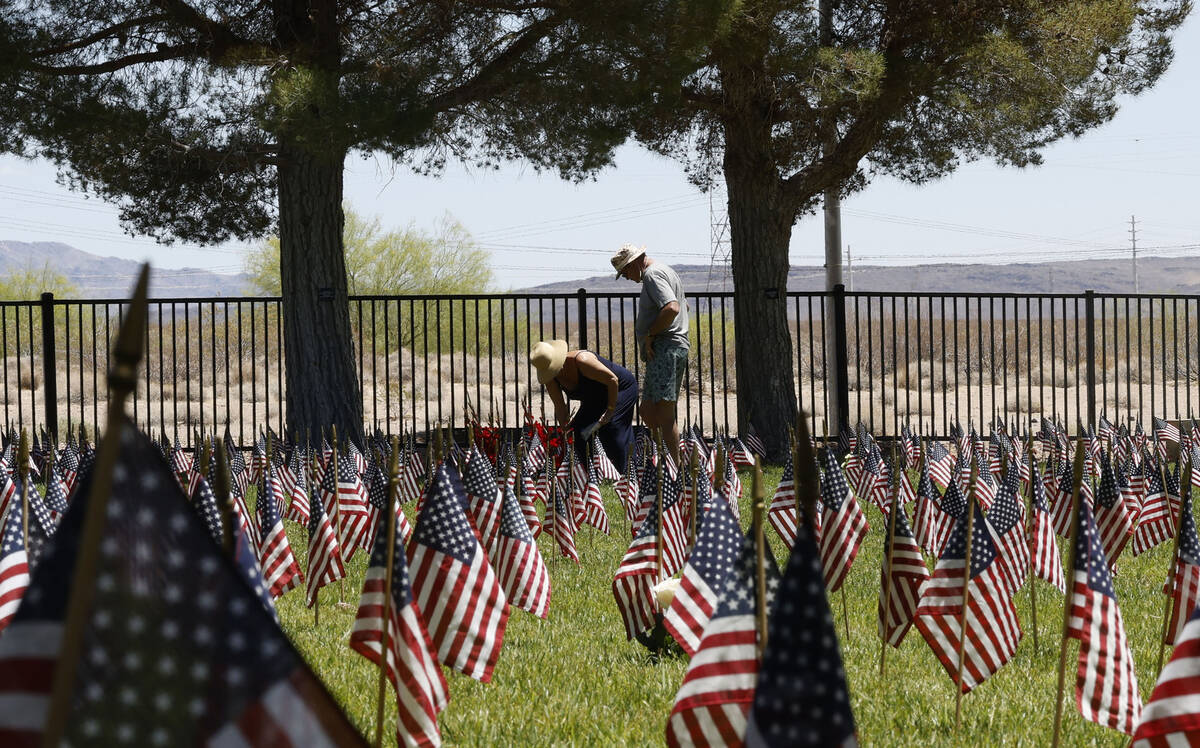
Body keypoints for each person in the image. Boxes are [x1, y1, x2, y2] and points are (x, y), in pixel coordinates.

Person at [611, 243, 689, 464]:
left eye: (625, 271)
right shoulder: (665, 271)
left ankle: (675, 468)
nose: (625, 277)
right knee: (647, 410)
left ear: (635, 262)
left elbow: (672, 307)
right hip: (665, 349)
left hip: (666, 348)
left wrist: (651, 334)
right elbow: (684, 306)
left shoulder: (653, 275)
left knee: (664, 414)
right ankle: (667, 455)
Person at [530, 339, 638, 470]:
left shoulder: (582, 361)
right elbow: (559, 405)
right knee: (578, 433)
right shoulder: (551, 378)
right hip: (595, 398)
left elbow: (612, 380)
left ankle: (628, 475)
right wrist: (565, 427)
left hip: (620, 389)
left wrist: (610, 410)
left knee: (613, 427)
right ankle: (590, 475)